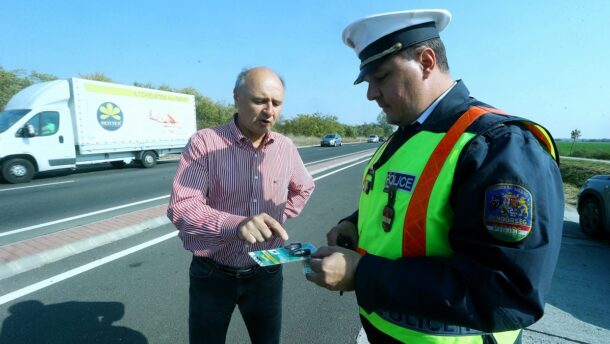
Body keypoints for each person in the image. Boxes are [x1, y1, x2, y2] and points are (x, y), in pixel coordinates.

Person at [305, 9, 564, 344]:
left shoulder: (498, 146)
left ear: (426, 62)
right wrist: (353, 224)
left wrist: (362, 274)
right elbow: (402, 202)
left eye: (381, 77)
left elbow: (506, 293)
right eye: (368, 83)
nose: (371, 94)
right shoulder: (405, 135)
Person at [167, 67, 315, 344]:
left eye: (277, 103)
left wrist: (277, 217)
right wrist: (237, 225)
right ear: (236, 98)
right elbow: (183, 206)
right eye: (260, 101)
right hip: (212, 272)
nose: (269, 110)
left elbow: (303, 186)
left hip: (267, 271)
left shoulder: (284, 146)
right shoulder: (205, 143)